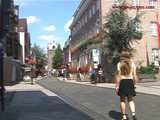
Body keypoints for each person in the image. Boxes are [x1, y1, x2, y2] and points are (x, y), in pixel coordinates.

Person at [115, 52, 138, 120]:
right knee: (130, 99)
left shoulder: (119, 64)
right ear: (128, 57)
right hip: (130, 82)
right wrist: (135, 84)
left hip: (123, 82)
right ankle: (133, 115)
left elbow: (119, 75)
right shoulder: (133, 64)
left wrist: (117, 85)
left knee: (122, 100)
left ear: (122, 57)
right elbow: (135, 75)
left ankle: (124, 116)